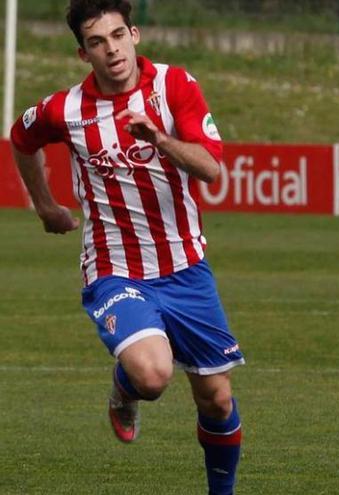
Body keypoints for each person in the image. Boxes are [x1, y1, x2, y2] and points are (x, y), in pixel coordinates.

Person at [9, 1, 243, 492]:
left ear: (134, 34)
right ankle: (125, 389)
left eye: (117, 35)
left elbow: (210, 167)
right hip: (114, 269)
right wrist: (46, 207)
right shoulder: (65, 109)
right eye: (97, 42)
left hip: (186, 267)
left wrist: (159, 138)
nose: (111, 49)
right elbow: (21, 138)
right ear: (83, 53)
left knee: (217, 400)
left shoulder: (174, 85)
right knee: (153, 374)